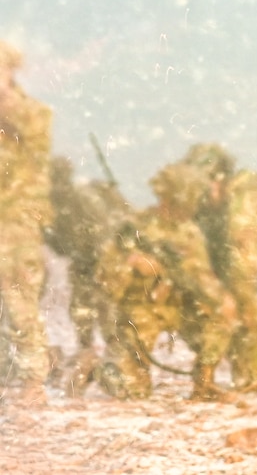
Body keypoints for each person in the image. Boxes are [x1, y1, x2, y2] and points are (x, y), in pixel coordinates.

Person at [95, 161, 237, 401]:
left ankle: (205, 382)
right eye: (182, 202)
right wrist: (133, 265)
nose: (187, 209)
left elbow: (201, 276)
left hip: (179, 305)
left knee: (221, 312)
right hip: (142, 309)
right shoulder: (135, 227)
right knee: (131, 391)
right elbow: (105, 278)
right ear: (167, 197)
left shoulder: (189, 232)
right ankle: (103, 369)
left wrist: (221, 300)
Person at [182, 142, 257, 391]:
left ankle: (255, 377)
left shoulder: (244, 195)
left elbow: (245, 236)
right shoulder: (204, 204)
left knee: (253, 322)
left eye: (210, 179)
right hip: (222, 269)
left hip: (244, 270)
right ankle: (240, 376)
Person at [44, 155, 131, 394]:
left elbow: (102, 230)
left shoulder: (82, 198)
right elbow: (58, 242)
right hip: (81, 263)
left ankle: (113, 360)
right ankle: (89, 356)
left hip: (99, 262)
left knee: (105, 311)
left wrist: (96, 258)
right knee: (81, 312)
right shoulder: (53, 202)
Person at [0, 40, 54, 406]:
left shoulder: (32, 113)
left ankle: (33, 383)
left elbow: (36, 138)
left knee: (20, 300)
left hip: (15, 221)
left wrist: (7, 99)